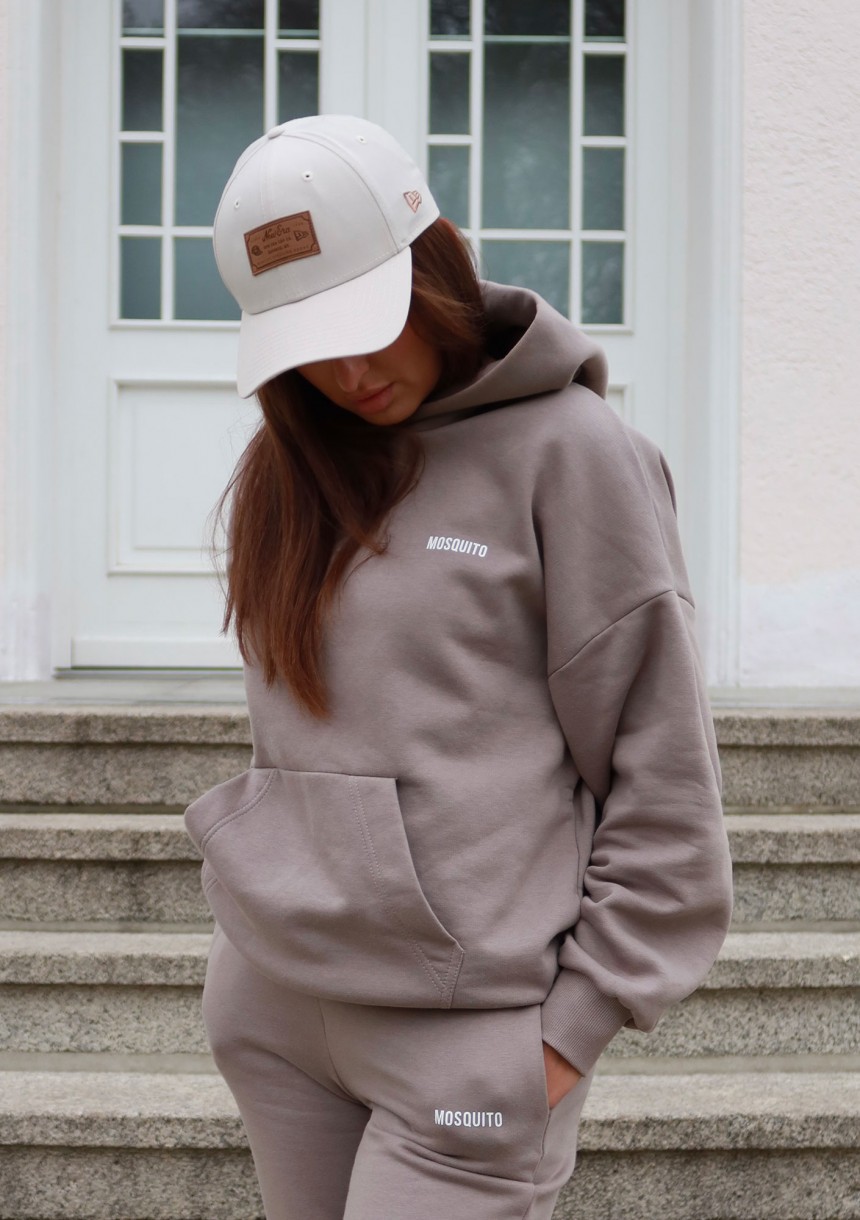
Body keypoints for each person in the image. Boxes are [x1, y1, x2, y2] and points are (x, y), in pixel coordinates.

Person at [184, 113, 734, 1220]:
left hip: (469, 1044)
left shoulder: (575, 453)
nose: (345, 371)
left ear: (430, 266)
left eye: (365, 323)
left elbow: (663, 776)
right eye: (305, 343)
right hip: (275, 1008)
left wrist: (564, 1036)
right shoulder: (293, 465)